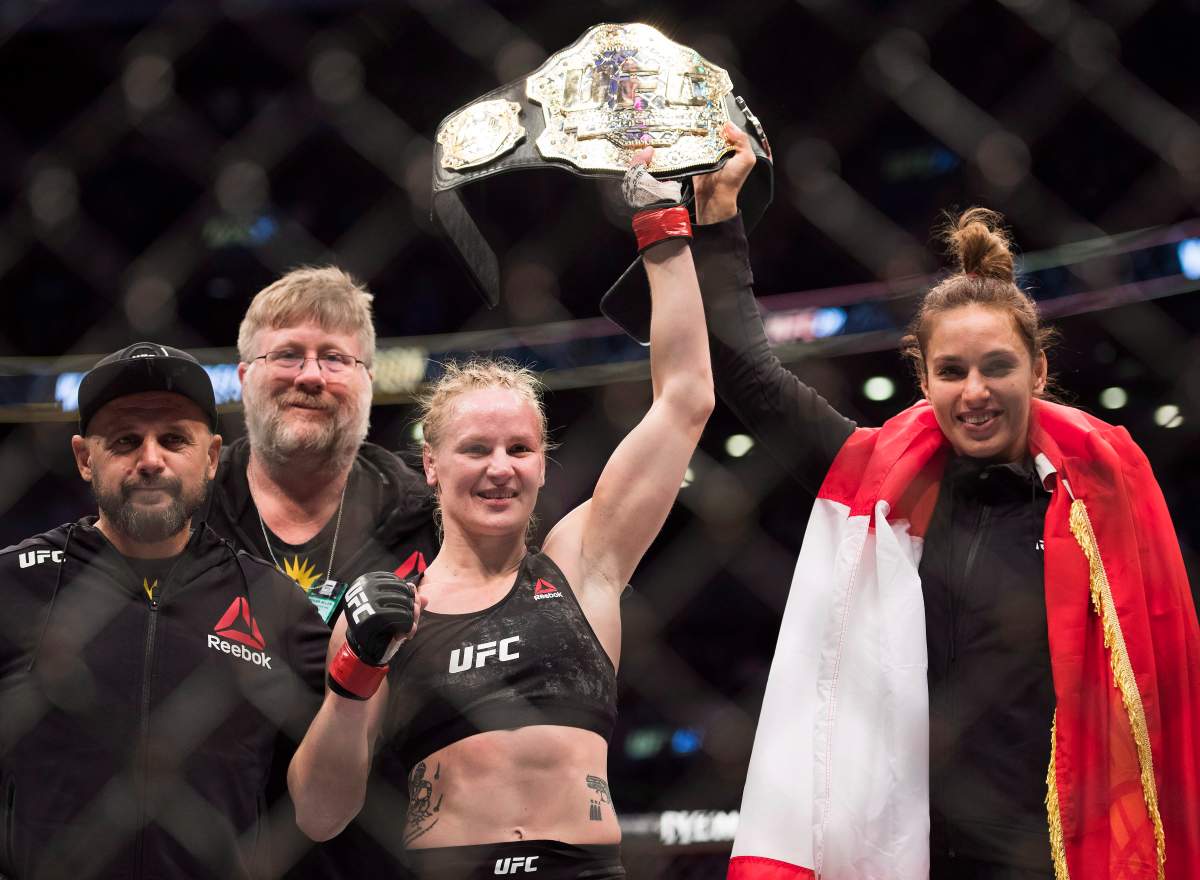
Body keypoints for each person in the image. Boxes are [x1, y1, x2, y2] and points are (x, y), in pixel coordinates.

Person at [690, 128, 1200, 880]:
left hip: (1056, 853)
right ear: (921, 379)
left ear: (1039, 370)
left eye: (998, 367)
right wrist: (715, 224)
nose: (976, 392)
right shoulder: (879, 485)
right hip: (911, 854)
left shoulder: (1103, 495)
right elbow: (749, 377)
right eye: (951, 371)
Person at [286, 151, 714, 880]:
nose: (498, 467)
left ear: (543, 463)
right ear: (431, 465)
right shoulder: (387, 612)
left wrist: (661, 226)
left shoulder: (584, 562)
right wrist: (354, 677)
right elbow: (319, 813)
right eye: (475, 448)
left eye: (519, 447)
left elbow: (686, 400)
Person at [0, 342, 328, 879]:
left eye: (174, 439)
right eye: (126, 440)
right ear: (85, 458)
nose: (150, 461)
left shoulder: (277, 604)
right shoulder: (15, 583)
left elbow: (333, 786)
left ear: (213, 456)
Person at [202, 266, 440, 873]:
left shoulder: (428, 516)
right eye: (287, 355)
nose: (311, 375)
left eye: (335, 358)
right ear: (244, 376)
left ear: (366, 380)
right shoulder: (186, 513)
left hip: (389, 851)